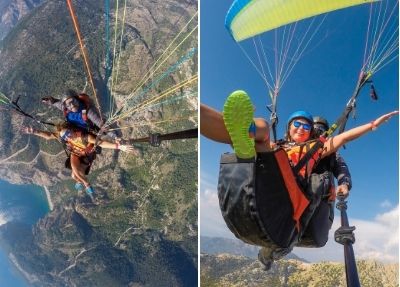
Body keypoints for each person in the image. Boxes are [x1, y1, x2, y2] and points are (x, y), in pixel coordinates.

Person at [201, 90, 398, 269]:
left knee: (269, 139)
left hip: (288, 187)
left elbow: (343, 139)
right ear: (289, 127)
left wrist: (372, 125)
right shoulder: (279, 144)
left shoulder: (316, 149)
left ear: (311, 132)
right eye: (297, 123)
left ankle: (247, 134)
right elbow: (271, 145)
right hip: (266, 174)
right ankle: (243, 128)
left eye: (306, 126)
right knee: (263, 128)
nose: (301, 128)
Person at [24, 123, 136, 200]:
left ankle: (84, 183)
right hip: (76, 154)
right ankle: (84, 183)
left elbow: (101, 143)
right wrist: (34, 131)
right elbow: (48, 136)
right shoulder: (64, 136)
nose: (68, 138)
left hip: (87, 155)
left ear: (72, 130)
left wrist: (119, 147)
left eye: (68, 134)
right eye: (65, 137)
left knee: (74, 175)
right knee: (75, 173)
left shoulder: (85, 137)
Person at [41, 89, 118, 141]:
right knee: (57, 134)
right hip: (73, 132)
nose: (72, 105)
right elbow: (56, 103)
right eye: (68, 104)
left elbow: (101, 124)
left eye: (73, 101)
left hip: (86, 133)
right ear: (66, 106)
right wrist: (51, 101)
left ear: (77, 99)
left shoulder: (87, 111)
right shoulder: (66, 109)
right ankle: (34, 131)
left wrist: (115, 137)